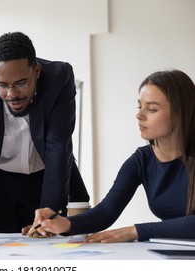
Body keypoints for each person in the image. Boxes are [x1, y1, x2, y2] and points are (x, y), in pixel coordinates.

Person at [0, 31, 89, 240]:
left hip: (47, 178)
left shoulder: (59, 78)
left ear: (37, 71)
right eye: (3, 85)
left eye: (21, 83)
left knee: (48, 247)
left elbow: (58, 146)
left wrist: (49, 212)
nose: (12, 94)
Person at [29, 69, 195, 242]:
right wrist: (65, 224)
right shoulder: (140, 161)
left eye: (152, 109)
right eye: (140, 107)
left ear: (180, 113)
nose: (139, 115)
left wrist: (136, 231)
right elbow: (106, 212)